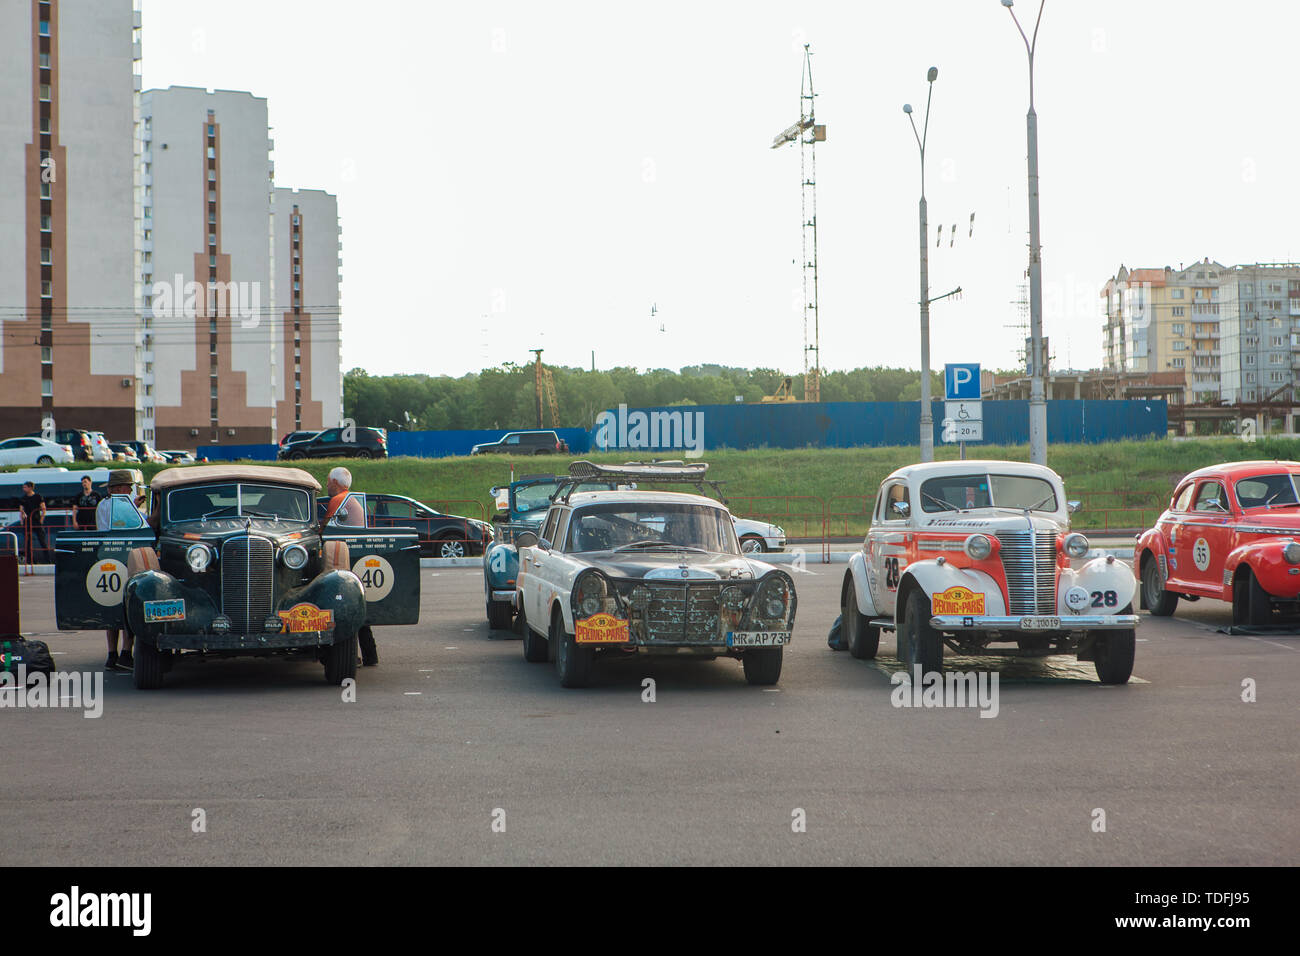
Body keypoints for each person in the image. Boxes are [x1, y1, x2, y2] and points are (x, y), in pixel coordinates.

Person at [320, 467, 376, 666]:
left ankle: (353, 655)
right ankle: (371, 654)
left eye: (328, 481)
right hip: (356, 556)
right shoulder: (352, 500)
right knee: (359, 607)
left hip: (343, 559)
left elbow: (324, 531)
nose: (326, 485)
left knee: (342, 604)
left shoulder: (337, 501)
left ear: (335, 483)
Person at [97, 470, 148, 671]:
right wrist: (136, 507)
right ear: (122, 488)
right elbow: (142, 527)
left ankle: (112, 654)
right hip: (124, 556)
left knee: (110, 606)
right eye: (130, 486)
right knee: (130, 606)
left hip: (105, 557)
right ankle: (126, 653)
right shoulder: (124, 506)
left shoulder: (103, 504)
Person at [18, 481, 49, 563]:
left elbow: (43, 508)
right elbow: (21, 510)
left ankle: (48, 560)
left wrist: (41, 519)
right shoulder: (23, 498)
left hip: (37, 521)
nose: (23, 489)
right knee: (28, 543)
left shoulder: (38, 497)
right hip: (28, 522)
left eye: (25, 487)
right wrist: (22, 521)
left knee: (42, 541)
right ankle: (30, 561)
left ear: (30, 487)